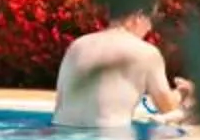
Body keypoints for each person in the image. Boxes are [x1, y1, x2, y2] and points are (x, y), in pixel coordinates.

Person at [50, 8, 178, 132]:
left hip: (61, 133)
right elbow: (168, 110)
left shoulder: (77, 45)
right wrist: (184, 94)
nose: (149, 28)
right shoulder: (147, 53)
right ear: (139, 16)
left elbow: (60, 101)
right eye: (151, 21)